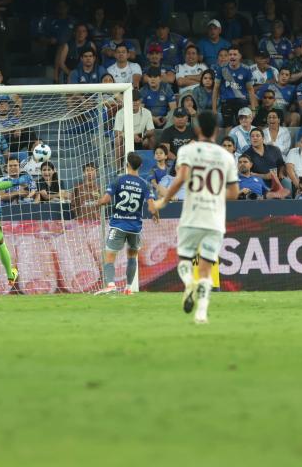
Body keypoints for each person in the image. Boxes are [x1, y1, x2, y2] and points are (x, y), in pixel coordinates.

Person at [153, 111, 239, 325]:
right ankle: (201, 314)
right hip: (214, 219)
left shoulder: (188, 151)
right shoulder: (226, 156)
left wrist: (163, 201)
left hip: (192, 216)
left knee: (184, 260)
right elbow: (234, 193)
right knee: (206, 268)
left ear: (198, 129)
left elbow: (180, 178)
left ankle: (188, 282)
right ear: (217, 131)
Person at [96, 152, 160, 295]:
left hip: (119, 224)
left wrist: (98, 202)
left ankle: (111, 285)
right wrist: (155, 214)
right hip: (135, 228)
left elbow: (106, 200)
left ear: (127, 165)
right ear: (140, 166)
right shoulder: (145, 184)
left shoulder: (119, 180)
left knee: (109, 255)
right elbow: (151, 207)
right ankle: (129, 287)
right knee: (132, 256)